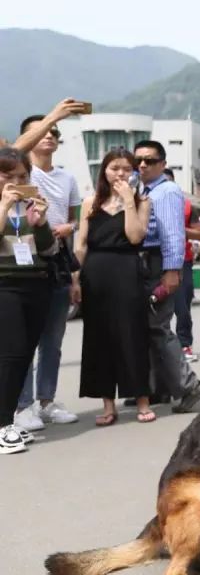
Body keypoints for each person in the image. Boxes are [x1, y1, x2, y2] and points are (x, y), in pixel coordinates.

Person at [12, 114, 82, 432]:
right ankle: (22, 405)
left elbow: (73, 219)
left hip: (57, 262)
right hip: (22, 263)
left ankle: (46, 401)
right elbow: (14, 152)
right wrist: (54, 113)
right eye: (41, 132)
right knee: (23, 339)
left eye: (54, 131)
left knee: (52, 339)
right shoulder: (18, 173)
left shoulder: (67, 179)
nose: (49, 135)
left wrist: (70, 227)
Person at [75, 149, 154, 425]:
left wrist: (128, 202)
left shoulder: (142, 201)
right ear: (104, 171)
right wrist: (76, 278)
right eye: (114, 168)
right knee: (99, 336)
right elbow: (81, 243)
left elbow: (135, 237)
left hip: (126, 270)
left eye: (126, 169)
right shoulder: (89, 203)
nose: (120, 174)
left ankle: (142, 399)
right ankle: (108, 405)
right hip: (95, 272)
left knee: (132, 333)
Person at [133, 140, 200, 412]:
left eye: (150, 160)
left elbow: (173, 234)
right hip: (143, 264)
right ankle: (158, 388)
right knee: (147, 329)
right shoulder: (141, 189)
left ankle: (190, 387)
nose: (142, 165)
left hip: (157, 263)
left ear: (162, 164)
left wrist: (171, 270)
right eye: (138, 160)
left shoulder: (165, 191)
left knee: (159, 328)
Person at [0, 148, 57, 453]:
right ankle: (2, 423)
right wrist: (4, 205)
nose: (15, 182)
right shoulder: (5, 204)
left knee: (23, 355)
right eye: (7, 176)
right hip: (4, 285)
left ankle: (9, 419)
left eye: (22, 176)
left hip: (35, 283)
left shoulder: (30, 206)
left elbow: (48, 250)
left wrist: (42, 223)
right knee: (9, 355)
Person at [163, 168, 200, 364]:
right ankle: (158, 348)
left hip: (182, 262)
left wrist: (178, 228)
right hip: (154, 262)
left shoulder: (186, 206)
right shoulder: (146, 203)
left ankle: (184, 344)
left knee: (183, 307)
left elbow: (199, 234)